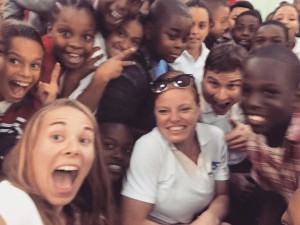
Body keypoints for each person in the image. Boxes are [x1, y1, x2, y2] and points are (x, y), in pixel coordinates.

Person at [121, 70, 229, 225]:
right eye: (164, 111)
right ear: (155, 113)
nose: (174, 119)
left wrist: (211, 216)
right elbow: (131, 222)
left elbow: (222, 195)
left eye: (184, 109)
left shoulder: (215, 138)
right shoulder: (149, 147)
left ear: (198, 108)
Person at [0, 98, 113, 225]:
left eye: (84, 140)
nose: (74, 149)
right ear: (29, 148)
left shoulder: (83, 215)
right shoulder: (10, 200)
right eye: (57, 137)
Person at [96, 0, 193, 133]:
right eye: (172, 36)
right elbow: (111, 130)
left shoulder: (162, 64)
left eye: (185, 39)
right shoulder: (130, 73)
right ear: (149, 30)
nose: (180, 45)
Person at [241, 45, 300, 224]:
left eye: (270, 92)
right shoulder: (255, 141)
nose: (253, 102)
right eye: (246, 91)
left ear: (296, 98)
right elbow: (272, 197)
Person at [0, 20, 60, 169]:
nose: (26, 74)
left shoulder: (30, 112)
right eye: (14, 61)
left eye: (34, 65)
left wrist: (48, 110)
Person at [77, 14, 144, 111]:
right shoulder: (95, 51)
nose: (125, 45)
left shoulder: (129, 68)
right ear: (110, 30)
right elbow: (77, 111)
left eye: (134, 42)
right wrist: (101, 77)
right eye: (121, 33)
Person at [99, 121, 137, 224]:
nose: (119, 155)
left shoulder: (125, 201)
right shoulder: (71, 198)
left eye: (127, 150)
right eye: (109, 145)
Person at [169, 0, 211, 92]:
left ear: (208, 29)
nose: (194, 31)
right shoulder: (170, 56)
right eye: (190, 24)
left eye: (201, 26)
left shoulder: (211, 58)